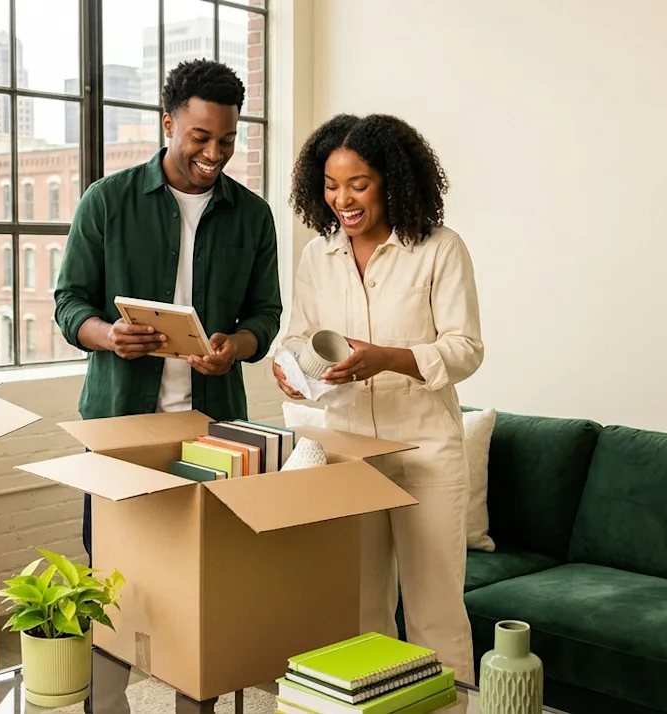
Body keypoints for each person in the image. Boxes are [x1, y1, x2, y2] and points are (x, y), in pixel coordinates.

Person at [275, 114, 482, 684]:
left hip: (426, 455)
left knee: (435, 614)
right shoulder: (318, 256)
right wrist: (292, 368)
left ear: (391, 180)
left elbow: (465, 349)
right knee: (362, 614)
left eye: (358, 184)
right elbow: (300, 335)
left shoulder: (440, 249)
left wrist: (386, 357)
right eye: (331, 185)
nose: (343, 199)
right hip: (349, 453)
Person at [56, 59, 283, 564]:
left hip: (216, 428)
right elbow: (69, 302)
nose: (214, 153)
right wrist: (107, 335)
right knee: (114, 559)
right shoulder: (107, 202)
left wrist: (236, 347)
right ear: (168, 123)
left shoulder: (253, 216)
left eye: (227, 140)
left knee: (209, 560)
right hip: (119, 422)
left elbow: (266, 315)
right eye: (201, 136)